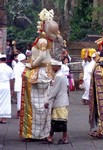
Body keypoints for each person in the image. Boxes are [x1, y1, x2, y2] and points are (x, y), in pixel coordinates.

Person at [19, 8, 63, 140]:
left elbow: (43, 56)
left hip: (40, 72)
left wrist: (32, 65)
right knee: (43, 104)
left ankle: (38, 132)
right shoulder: (45, 40)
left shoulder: (43, 40)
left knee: (38, 105)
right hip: (44, 72)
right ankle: (42, 132)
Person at [44, 59, 69, 144]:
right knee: (61, 120)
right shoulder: (60, 75)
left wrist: (47, 101)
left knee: (57, 121)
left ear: (57, 67)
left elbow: (54, 91)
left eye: (53, 66)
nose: (51, 68)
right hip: (62, 100)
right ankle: (60, 137)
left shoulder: (59, 76)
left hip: (60, 101)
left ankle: (53, 137)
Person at [0, 53, 14, 124]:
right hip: (6, 86)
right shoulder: (9, 68)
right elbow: (11, 80)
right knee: (5, 102)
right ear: (5, 60)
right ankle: (4, 118)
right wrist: (11, 89)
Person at [13, 53, 26, 119]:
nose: (25, 60)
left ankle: (20, 111)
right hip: (22, 83)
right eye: (24, 59)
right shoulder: (23, 67)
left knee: (19, 99)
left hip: (18, 83)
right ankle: (19, 112)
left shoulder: (16, 66)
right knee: (21, 99)